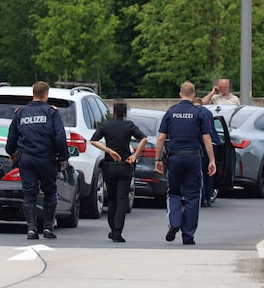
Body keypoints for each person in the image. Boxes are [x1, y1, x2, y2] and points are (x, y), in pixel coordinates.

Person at [6, 81, 68, 240]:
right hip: (47, 159)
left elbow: (11, 137)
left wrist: (11, 153)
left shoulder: (21, 113)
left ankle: (31, 229)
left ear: (33, 93)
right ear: (46, 94)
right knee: (50, 192)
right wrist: (63, 157)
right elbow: (60, 136)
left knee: (29, 194)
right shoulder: (51, 112)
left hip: (26, 159)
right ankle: (48, 228)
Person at [156, 81, 216, 245]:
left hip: (174, 157)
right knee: (193, 196)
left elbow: (161, 137)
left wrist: (158, 159)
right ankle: (188, 235)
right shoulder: (199, 113)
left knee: (173, 191)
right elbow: (206, 138)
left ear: (180, 94)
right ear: (194, 95)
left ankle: (175, 222)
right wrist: (211, 160)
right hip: (193, 157)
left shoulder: (171, 112)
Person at [90, 102, 148, 242]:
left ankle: (112, 229)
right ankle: (117, 231)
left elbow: (93, 140)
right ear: (125, 113)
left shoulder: (106, 125)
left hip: (109, 165)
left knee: (111, 200)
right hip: (125, 165)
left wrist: (109, 151)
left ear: (113, 112)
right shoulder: (129, 125)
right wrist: (134, 156)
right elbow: (144, 138)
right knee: (122, 199)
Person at [193, 98, 221, 207]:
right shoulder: (208, 112)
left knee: (200, 172)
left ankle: (202, 196)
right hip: (213, 144)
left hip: (201, 144)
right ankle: (208, 196)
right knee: (209, 172)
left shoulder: (195, 112)